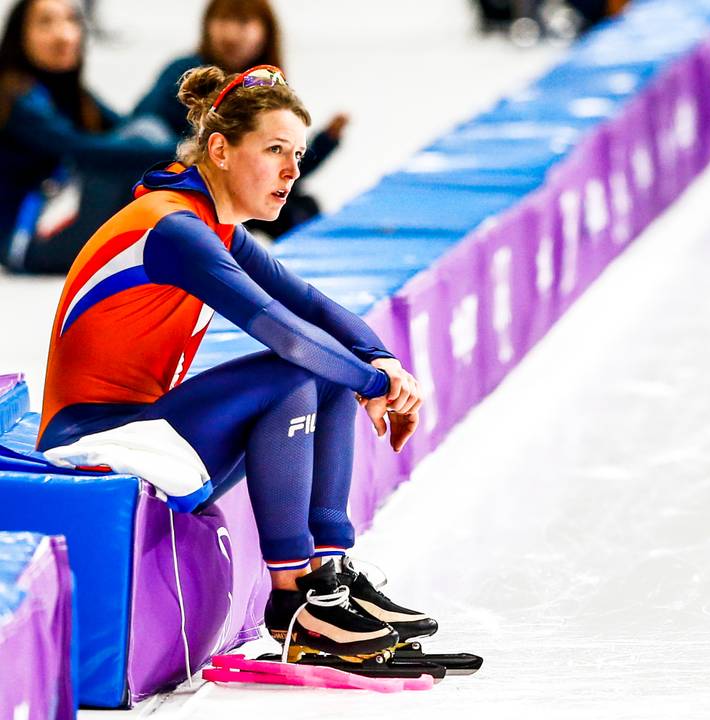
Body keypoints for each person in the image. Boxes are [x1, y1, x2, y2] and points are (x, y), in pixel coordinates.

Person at [36, 64, 435, 660]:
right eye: (275, 150)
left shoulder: (213, 225)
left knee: (324, 372)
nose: (292, 171)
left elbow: (312, 305)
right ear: (220, 150)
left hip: (146, 434)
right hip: (92, 443)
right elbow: (285, 334)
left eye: (298, 154)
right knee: (300, 369)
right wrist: (373, 383)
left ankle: (327, 579)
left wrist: (383, 362)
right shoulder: (173, 228)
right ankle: (294, 603)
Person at [133, 0, 346, 240]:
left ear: (265, 31)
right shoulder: (183, 71)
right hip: (186, 183)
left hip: (232, 185)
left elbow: (278, 169)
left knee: (301, 208)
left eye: (243, 22)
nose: (231, 34)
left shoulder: (265, 80)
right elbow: (140, 133)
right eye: (223, 20)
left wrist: (325, 141)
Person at [0, 0, 171, 274]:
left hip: (57, 215)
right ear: (19, 35)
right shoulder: (15, 95)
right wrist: (182, 150)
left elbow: (128, 127)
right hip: (23, 240)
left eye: (71, 21)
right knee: (136, 146)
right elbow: (83, 149)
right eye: (46, 23)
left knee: (147, 130)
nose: (62, 33)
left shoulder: (76, 94)